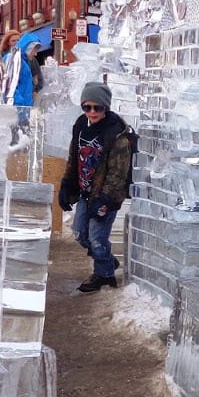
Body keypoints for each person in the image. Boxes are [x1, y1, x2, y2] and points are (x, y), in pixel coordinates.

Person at [58, 81, 131, 293]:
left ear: (105, 107)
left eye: (97, 108)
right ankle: (106, 261)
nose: (92, 112)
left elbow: (118, 172)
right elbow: (74, 157)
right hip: (85, 191)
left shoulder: (117, 133)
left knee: (97, 238)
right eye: (87, 107)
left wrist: (106, 200)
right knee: (80, 233)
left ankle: (104, 275)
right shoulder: (81, 125)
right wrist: (66, 185)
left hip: (107, 195)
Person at [0, 31, 34, 107]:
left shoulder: (24, 60)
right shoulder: (9, 59)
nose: (16, 42)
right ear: (7, 43)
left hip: (17, 104)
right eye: (13, 40)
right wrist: (19, 102)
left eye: (18, 40)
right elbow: (8, 85)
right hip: (10, 105)